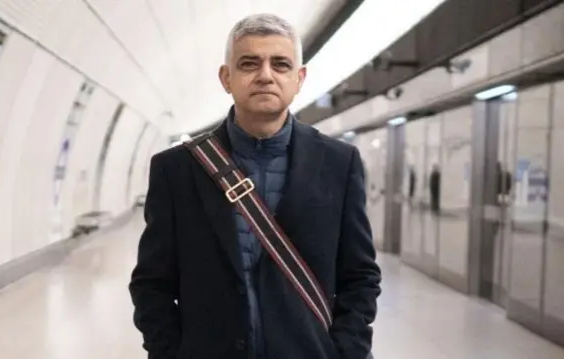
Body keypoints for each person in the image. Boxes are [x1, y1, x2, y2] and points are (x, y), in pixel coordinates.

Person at [128, 13, 381, 359]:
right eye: (249, 63)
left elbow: (360, 275)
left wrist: (344, 351)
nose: (266, 75)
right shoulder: (177, 170)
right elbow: (152, 283)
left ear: (299, 78)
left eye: (280, 64)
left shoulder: (339, 163)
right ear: (226, 78)